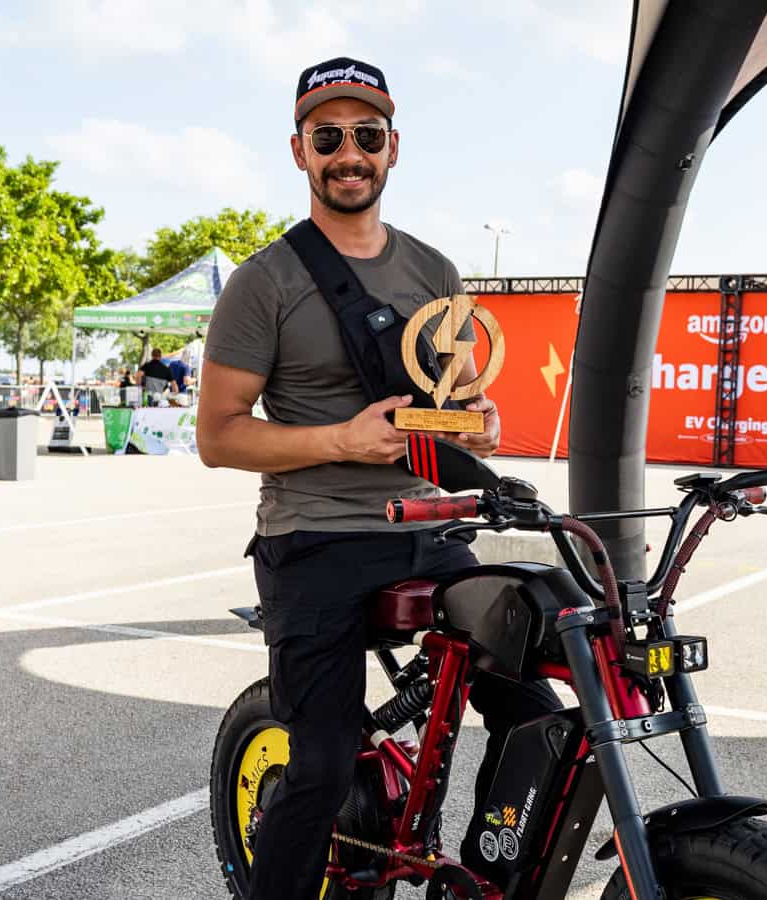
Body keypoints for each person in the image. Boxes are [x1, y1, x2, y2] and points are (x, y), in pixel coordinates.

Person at [197, 56, 559, 899]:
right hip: (314, 536)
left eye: (367, 135)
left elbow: (451, 398)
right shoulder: (264, 283)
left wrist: (480, 423)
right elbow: (218, 437)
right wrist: (344, 442)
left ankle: (476, 872)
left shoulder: (434, 271)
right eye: (329, 137)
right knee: (319, 768)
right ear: (299, 151)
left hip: (428, 534)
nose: (349, 153)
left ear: (393, 148)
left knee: (535, 717)